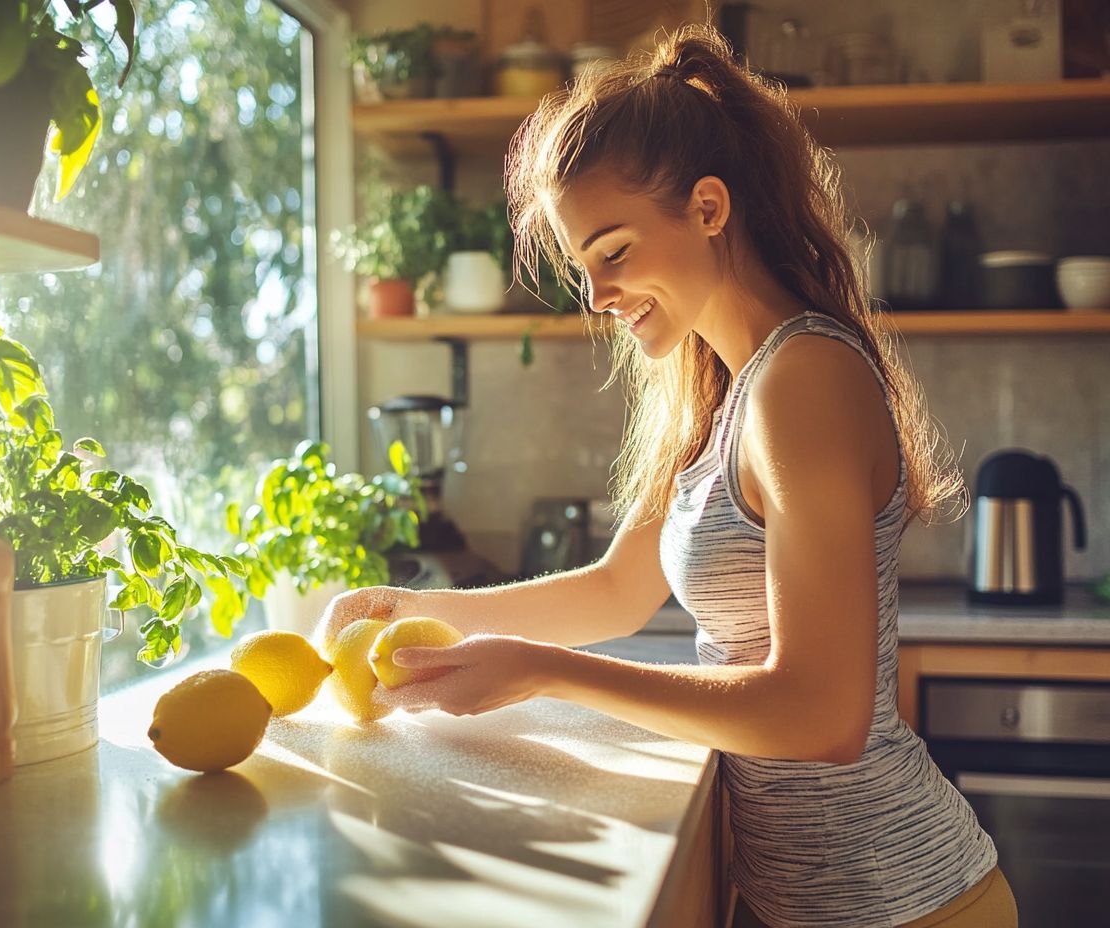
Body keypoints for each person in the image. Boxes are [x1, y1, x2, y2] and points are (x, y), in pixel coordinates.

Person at [318, 23, 1017, 928]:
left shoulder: (804, 377)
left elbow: (823, 715)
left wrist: (540, 672)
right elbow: (617, 591)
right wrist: (414, 614)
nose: (599, 297)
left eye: (614, 251)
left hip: (909, 902)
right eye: (583, 269)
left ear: (710, 209)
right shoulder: (724, 391)